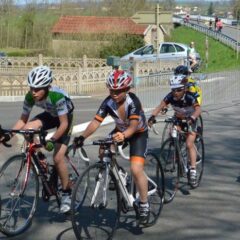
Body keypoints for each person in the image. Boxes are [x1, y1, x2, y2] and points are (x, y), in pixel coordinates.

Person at [73, 69, 150, 223]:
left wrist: (123, 135)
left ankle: (144, 204)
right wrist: (82, 137)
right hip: (120, 130)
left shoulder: (132, 101)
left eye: (118, 91)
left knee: (136, 169)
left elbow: (134, 126)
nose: (114, 94)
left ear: (127, 89)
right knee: (103, 150)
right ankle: (121, 176)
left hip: (137, 133)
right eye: (112, 90)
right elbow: (96, 122)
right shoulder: (108, 102)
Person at [0, 65, 75, 213]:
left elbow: (64, 123)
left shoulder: (56, 96)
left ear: (47, 87)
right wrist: (9, 135)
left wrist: (52, 140)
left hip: (64, 119)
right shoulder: (30, 96)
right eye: (31, 88)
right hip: (50, 115)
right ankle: (40, 157)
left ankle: (67, 194)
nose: (33, 92)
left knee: (58, 158)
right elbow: (22, 121)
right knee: (28, 128)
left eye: (37, 89)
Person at [148, 74, 202, 186]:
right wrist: (152, 117)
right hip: (178, 119)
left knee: (189, 144)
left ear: (185, 88)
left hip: (190, 120)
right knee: (172, 134)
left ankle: (192, 170)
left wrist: (192, 118)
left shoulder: (190, 97)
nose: (175, 92)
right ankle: (177, 153)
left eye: (179, 90)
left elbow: (198, 110)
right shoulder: (170, 96)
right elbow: (159, 107)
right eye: (173, 90)